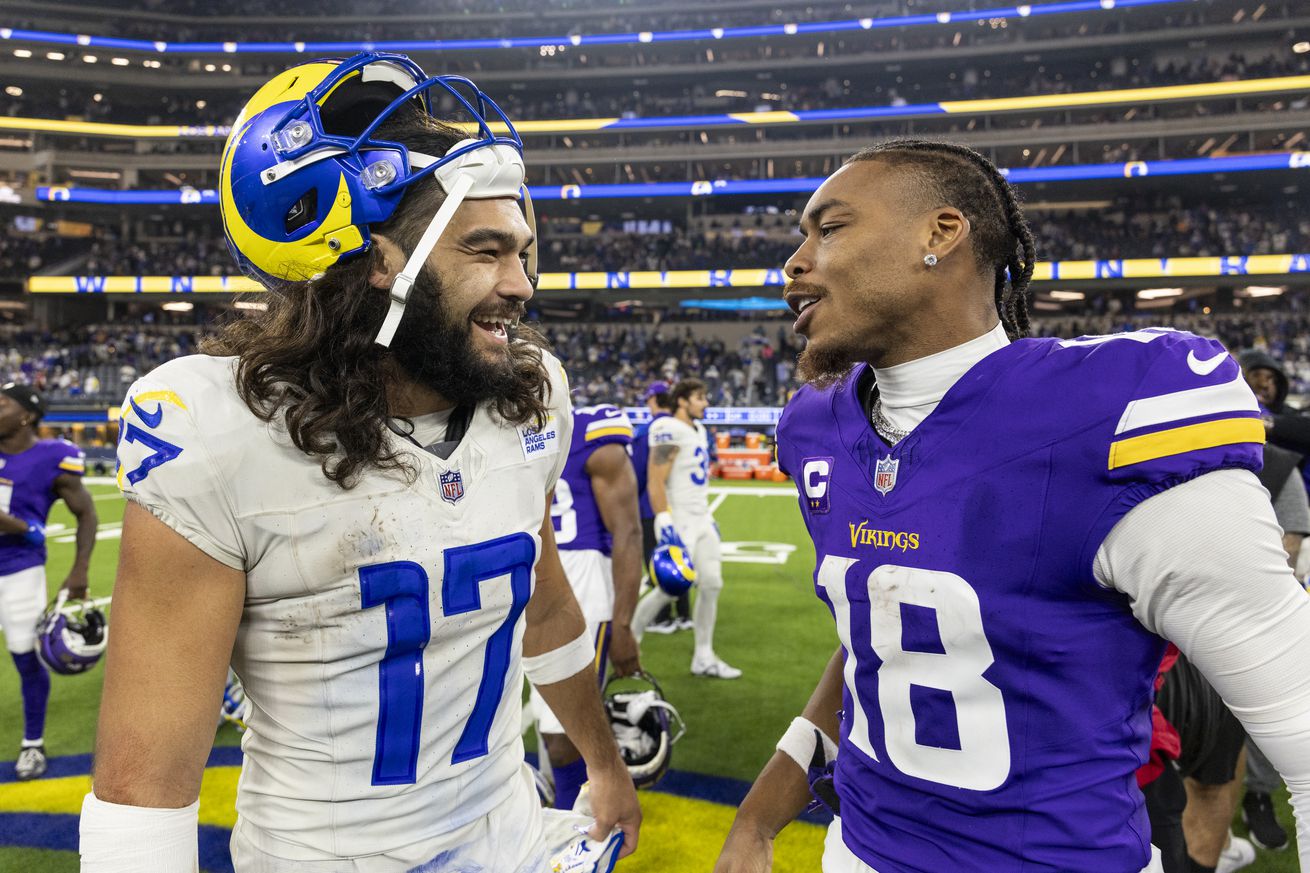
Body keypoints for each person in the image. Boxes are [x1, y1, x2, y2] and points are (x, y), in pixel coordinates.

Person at [81, 52, 639, 873]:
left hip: (510, 832)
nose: (521, 284)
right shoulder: (224, 430)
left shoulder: (529, 396)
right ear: (379, 262)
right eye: (486, 250)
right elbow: (143, 792)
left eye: (522, 250)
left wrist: (601, 759)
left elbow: (543, 605)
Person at [715, 140, 1310, 873]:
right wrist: (763, 805)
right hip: (857, 850)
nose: (795, 262)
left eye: (828, 228)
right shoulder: (817, 427)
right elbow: (885, 640)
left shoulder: (1111, 415)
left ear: (941, 233)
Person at [534, 401, 644, 809]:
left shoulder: (590, 427)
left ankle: (576, 838)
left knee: (565, 736)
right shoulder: (495, 428)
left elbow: (629, 531)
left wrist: (624, 623)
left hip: (580, 584)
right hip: (522, 580)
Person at [0, 383, 97, 780]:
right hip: (22, 547)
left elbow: (87, 514)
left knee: (25, 656)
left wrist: (80, 570)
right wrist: (24, 526)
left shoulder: (54, 456)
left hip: (18, 570)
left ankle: (32, 743)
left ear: (26, 416)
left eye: (1, 403)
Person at [631, 378, 740, 679]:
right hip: (679, 519)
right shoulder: (669, 428)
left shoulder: (698, 429)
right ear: (682, 401)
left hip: (701, 517)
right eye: (700, 398)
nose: (705, 403)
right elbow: (655, 479)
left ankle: (703, 656)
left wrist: (708, 518)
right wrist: (664, 518)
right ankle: (630, 642)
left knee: (713, 584)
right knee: (669, 588)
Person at [634, 382, 690, 635]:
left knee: (657, 560)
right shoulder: (685, 428)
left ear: (655, 400)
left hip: (652, 507)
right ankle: (685, 614)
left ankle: (664, 616)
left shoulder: (648, 431)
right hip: (682, 505)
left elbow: (638, 474)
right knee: (680, 557)